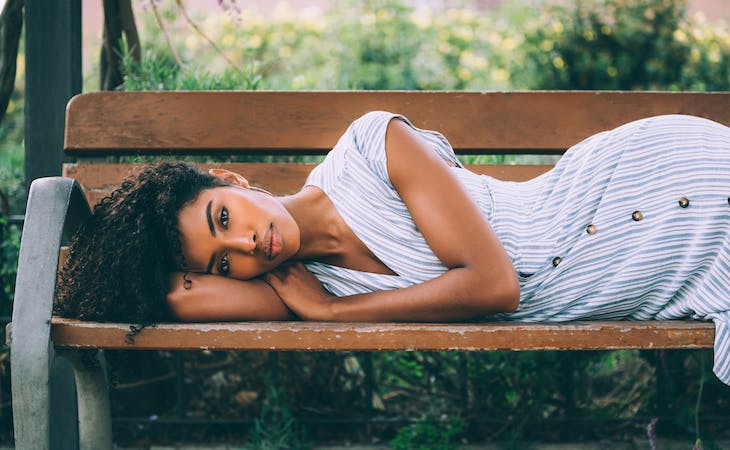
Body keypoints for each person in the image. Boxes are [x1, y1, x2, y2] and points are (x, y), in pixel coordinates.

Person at [55, 111, 730, 385]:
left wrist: (331, 320)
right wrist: (129, 255)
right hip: (656, 270)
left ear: (232, 179)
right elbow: (169, 294)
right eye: (223, 259)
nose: (246, 243)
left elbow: (495, 285)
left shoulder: (371, 149)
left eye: (224, 214)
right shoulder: (295, 285)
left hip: (655, 193)